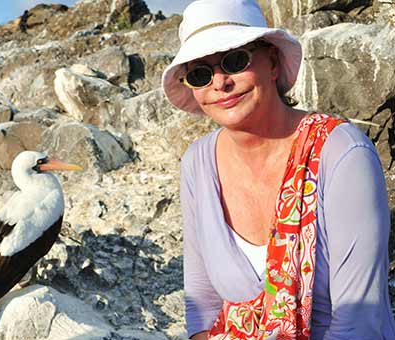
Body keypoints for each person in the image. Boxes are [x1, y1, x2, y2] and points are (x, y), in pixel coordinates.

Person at [161, 0, 395, 339]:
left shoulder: (342, 154)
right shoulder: (197, 164)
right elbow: (203, 306)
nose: (220, 83)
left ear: (271, 61)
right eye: (201, 73)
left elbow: (358, 321)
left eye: (234, 60)